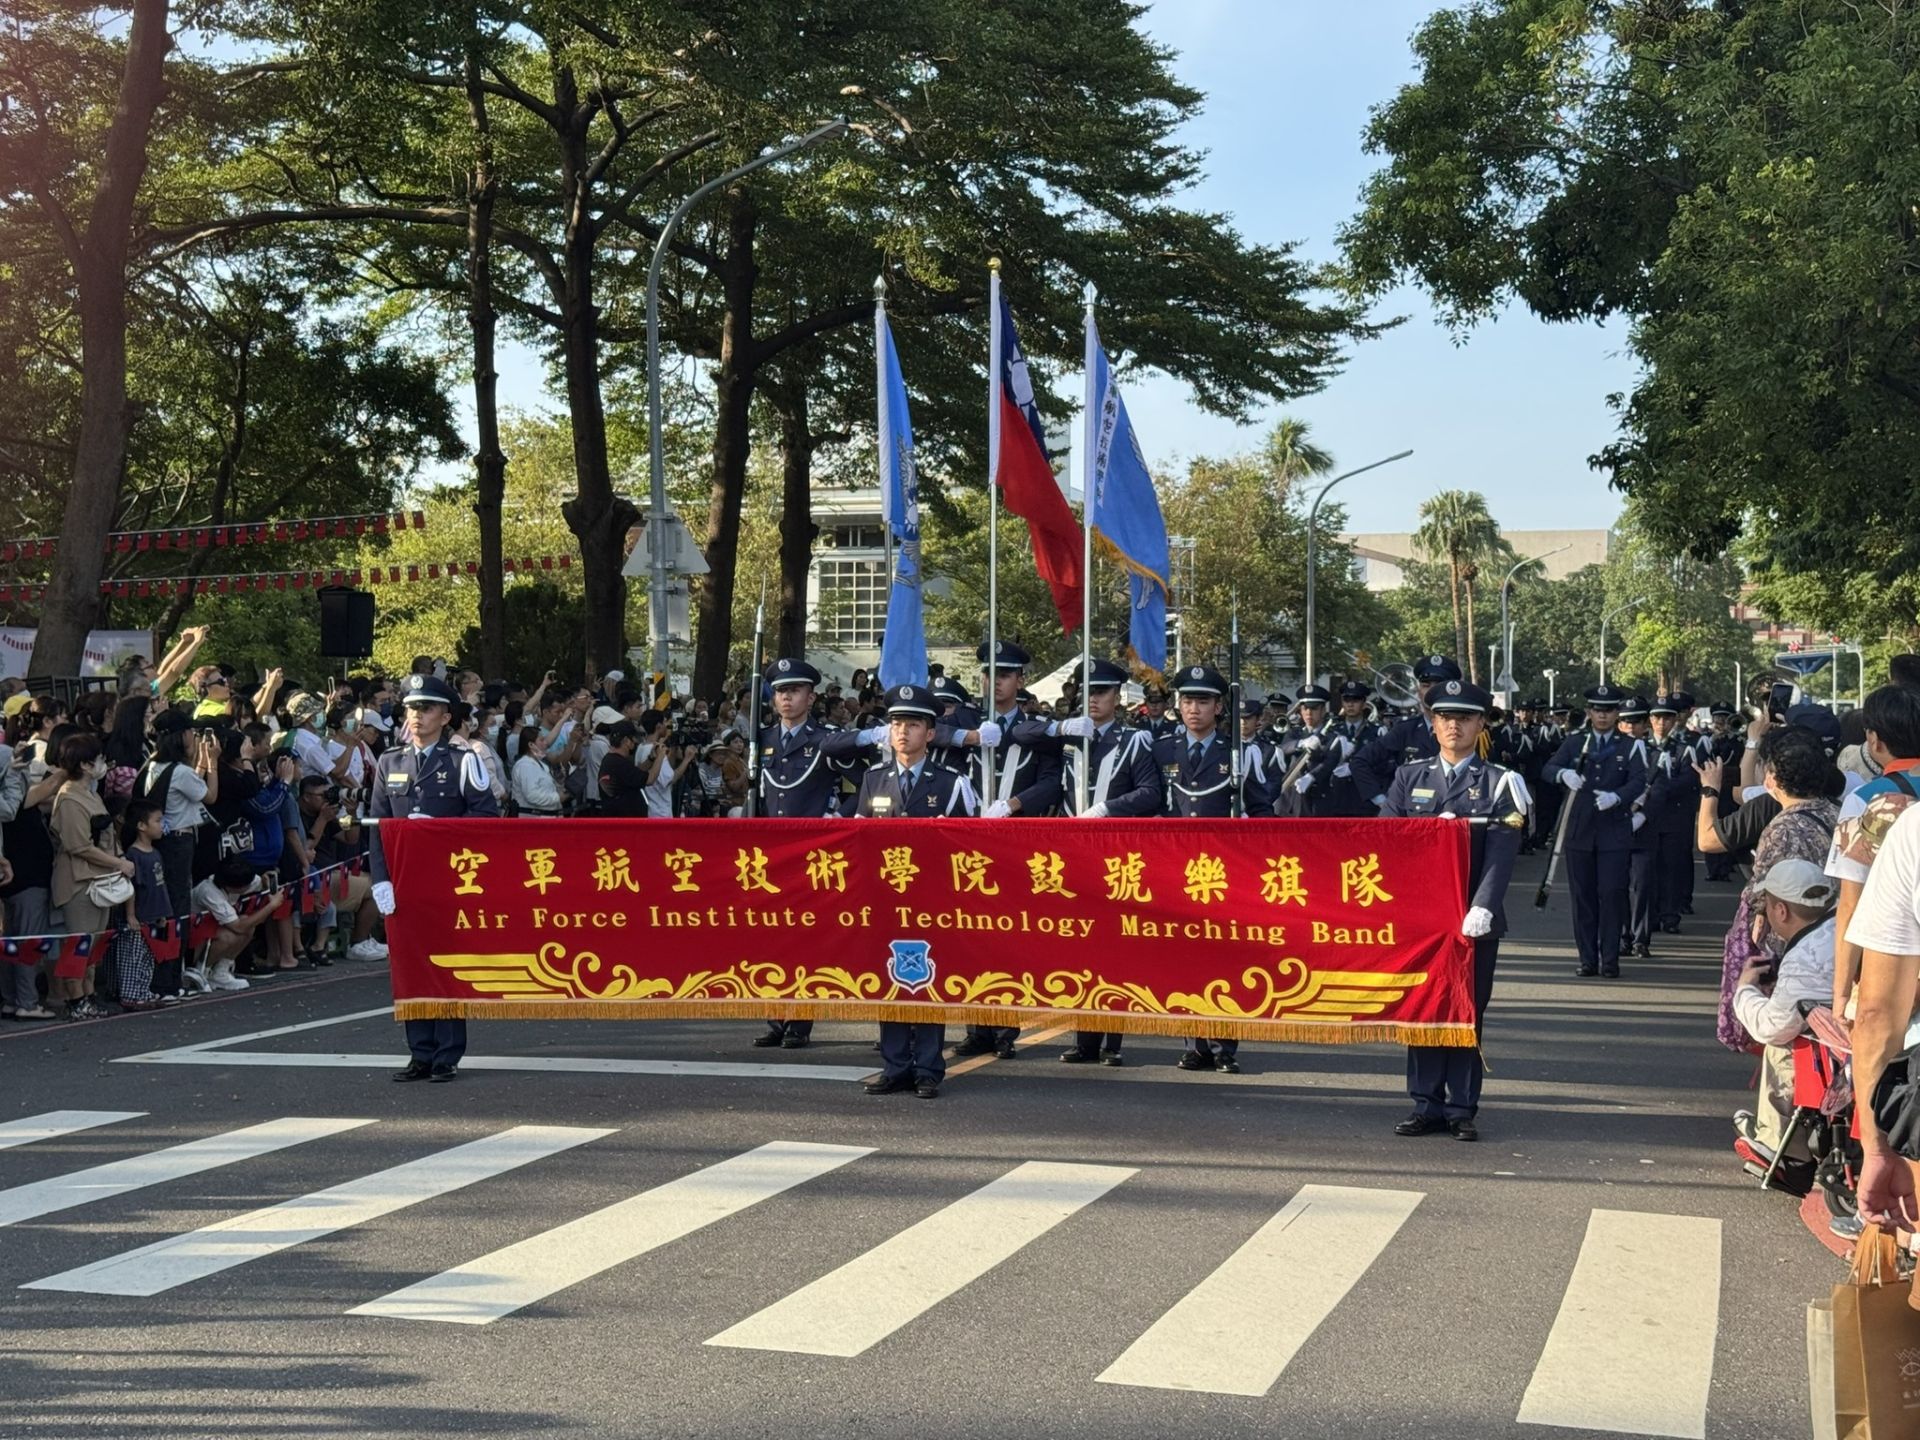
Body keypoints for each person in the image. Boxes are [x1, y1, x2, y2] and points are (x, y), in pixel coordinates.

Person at [1379, 679, 1527, 1140]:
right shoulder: (1411, 777)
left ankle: (1462, 1106)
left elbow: (1503, 852)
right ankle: (1425, 1103)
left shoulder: (1501, 780)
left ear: (1481, 723)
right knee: (1423, 1009)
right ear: (1433, 722)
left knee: (1466, 1009)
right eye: (1445, 717)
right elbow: (1386, 841)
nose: (1453, 725)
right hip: (1423, 920)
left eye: (1464, 717)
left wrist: (1483, 905)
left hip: (1471, 918)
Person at [1012, 657, 1161, 1066]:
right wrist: (1060, 726)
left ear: (1117, 696)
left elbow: (1151, 793)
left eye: (1101, 692)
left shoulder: (1134, 741)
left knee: (1113, 951)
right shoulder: (1067, 736)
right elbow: (1020, 732)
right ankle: (1084, 1039)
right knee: (1079, 948)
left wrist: (1107, 809)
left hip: (1114, 857)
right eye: (1087, 692)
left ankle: (1111, 1042)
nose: (1092, 699)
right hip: (1072, 856)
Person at [370, 672, 500, 1084]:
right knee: (410, 965)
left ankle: (446, 1053)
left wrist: (441, 830)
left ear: (445, 716)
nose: (416, 716)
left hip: (447, 881)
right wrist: (379, 879)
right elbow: (378, 826)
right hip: (404, 881)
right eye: (411, 708)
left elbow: (485, 818)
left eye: (425, 709)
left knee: (444, 965)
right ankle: (419, 1051)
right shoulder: (390, 761)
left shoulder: (463, 761)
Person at [749, 659, 880, 1048]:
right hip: (770, 855)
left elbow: (868, 782)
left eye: (794, 691)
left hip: (811, 854)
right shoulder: (764, 739)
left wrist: (837, 814)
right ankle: (776, 1015)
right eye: (780, 692)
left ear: (811, 696)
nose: (786, 698)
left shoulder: (825, 739)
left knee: (804, 935)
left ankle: (800, 1019)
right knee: (772, 936)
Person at [857, 683, 979, 1100]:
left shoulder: (952, 783)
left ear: (930, 733)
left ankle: (928, 1067)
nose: (903, 732)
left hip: (932, 901)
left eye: (913, 724)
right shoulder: (873, 780)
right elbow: (860, 841)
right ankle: (895, 1066)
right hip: (888, 900)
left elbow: (970, 848)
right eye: (896, 723)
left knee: (926, 978)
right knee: (890, 978)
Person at [1696, 725, 1841, 1052]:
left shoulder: (1782, 828)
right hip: (1833, 941)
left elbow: (1766, 901)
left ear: (1772, 778)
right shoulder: (1836, 812)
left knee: (1786, 1043)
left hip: (1790, 947)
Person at [1157, 664, 1271, 1073]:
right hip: (1175, 871)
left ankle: (1225, 1045)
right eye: (1187, 700)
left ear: (1219, 706)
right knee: (1186, 959)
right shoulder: (1162, 748)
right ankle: (1196, 1042)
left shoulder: (1237, 753)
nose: (1194, 709)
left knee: (1224, 959)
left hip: (1224, 875)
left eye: (1203, 701)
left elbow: (1262, 811)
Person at [1726, 859, 1836, 1173]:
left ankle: (1782, 1145)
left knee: (1784, 1042)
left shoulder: (1805, 957)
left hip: (1836, 1047)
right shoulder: (1839, 922)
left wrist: (1745, 989)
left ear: (1781, 910)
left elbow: (1772, 1027)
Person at [1825, 685, 1920, 1019]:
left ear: (1875, 740)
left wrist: (1840, 994)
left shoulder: (1865, 800)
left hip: (1888, 966)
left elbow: (1850, 904)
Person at [1546, 684, 1647, 978]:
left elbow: (1639, 781)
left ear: (1617, 713)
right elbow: (1548, 768)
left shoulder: (1629, 746)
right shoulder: (1575, 742)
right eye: (1597, 710)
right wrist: (1562, 774)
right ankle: (1588, 958)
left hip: (1613, 829)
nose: (1602, 716)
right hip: (1580, 830)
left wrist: (1618, 797)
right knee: (1583, 896)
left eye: (1609, 710)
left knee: (1612, 894)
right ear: (1590, 712)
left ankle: (1610, 958)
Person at [48, 735, 132, 1019]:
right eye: (98, 760)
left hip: (100, 877)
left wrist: (118, 859)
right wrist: (117, 863)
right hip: (78, 881)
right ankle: (76, 1000)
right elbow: (78, 846)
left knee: (94, 942)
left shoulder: (90, 793)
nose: (103, 764)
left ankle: (89, 994)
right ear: (84, 765)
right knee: (79, 942)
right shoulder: (69, 797)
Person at [1350, 655, 1460, 809]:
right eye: (1426, 685)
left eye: (1438, 686)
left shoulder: (1469, 730)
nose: (1431, 692)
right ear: (1418, 691)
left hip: (1456, 816)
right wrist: (1382, 801)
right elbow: (1359, 762)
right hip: (1412, 818)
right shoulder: (1405, 730)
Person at [1646, 693, 1702, 934]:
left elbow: (1689, 779)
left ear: (1674, 720)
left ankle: (1670, 915)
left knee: (1671, 867)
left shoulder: (1684, 749)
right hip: (1647, 817)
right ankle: (1651, 915)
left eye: (1667, 718)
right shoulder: (1642, 747)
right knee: (1649, 868)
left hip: (1673, 817)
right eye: (1657, 717)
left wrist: (1658, 788)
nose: (1661, 723)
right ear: (1650, 720)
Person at [111, 798, 172, 1010]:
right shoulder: (133, 855)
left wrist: (163, 912)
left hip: (152, 914)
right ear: (141, 826)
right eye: (157, 820)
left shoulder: (155, 853)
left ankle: (143, 991)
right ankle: (130, 994)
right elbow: (131, 888)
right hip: (137, 915)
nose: (161, 825)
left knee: (147, 956)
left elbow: (159, 885)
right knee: (132, 956)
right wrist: (130, 915)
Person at [510, 725, 564, 816]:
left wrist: (559, 782)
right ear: (531, 744)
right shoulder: (524, 766)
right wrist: (558, 797)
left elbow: (547, 788)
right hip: (533, 823)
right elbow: (532, 795)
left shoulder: (541, 764)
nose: (545, 743)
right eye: (541, 740)